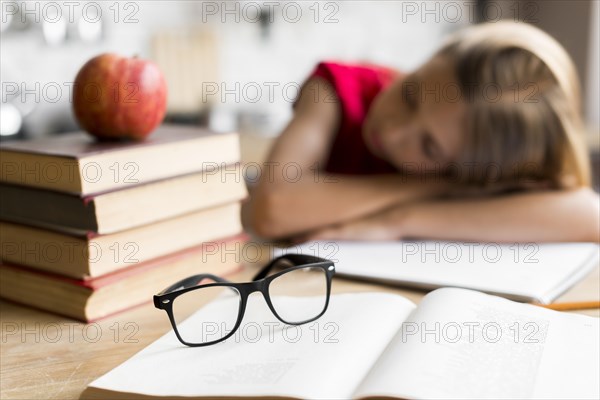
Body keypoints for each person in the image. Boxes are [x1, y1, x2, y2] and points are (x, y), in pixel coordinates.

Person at [245, 21, 599, 243]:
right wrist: (434, 185)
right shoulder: (337, 90)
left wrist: (396, 221)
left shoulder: (470, 170)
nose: (394, 130)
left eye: (429, 147)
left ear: (469, 169)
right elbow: (273, 207)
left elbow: (588, 216)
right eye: (411, 94)